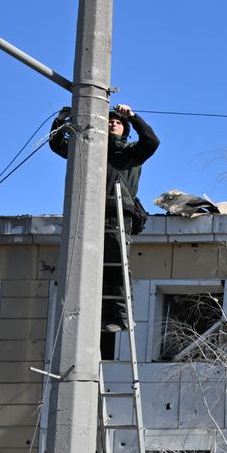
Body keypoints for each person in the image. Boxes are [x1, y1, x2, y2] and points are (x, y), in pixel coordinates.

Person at [48, 102, 159, 332]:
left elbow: (152, 141)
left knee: (117, 264)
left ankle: (121, 315)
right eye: (110, 121)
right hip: (90, 213)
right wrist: (61, 120)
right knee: (91, 264)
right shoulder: (88, 151)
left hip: (119, 214)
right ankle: (97, 314)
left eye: (119, 123)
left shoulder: (131, 152)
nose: (114, 124)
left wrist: (134, 116)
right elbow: (56, 144)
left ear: (125, 130)